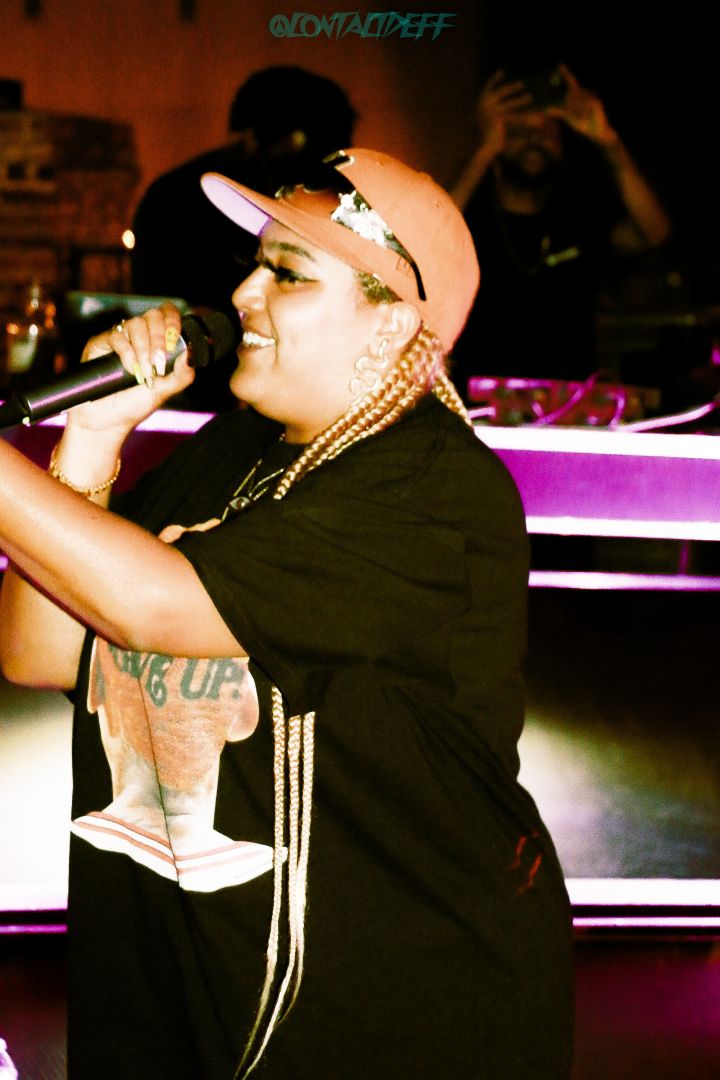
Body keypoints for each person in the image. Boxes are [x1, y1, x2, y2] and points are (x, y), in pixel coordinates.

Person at [0, 148, 574, 1078]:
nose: (244, 295)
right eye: (254, 266)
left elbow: (153, 606)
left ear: (393, 324)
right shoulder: (229, 455)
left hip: (390, 1018)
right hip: (184, 995)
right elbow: (39, 649)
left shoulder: (432, 489)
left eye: (288, 274)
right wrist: (94, 437)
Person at [130, 65, 357, 410]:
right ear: (255, 136)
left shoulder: (330, 200)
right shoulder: (180, 198)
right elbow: (159, 307)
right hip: (190, 390)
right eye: (305, 148)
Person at [450, 63, 671, 398]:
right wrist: (482, 149)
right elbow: (421, 238)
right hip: (480, 408)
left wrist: (610, 142)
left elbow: (653, 232)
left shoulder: (577, 223)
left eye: (547, 132)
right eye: (520, 132)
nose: (535, 140)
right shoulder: (466, 222)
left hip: (568, 409)